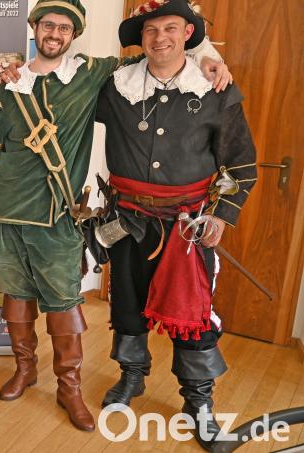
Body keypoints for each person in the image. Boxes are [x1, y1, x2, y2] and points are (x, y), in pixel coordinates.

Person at [0, 0, 231, 431]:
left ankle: (68, 386)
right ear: (34, 27)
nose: (55, 34)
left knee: (65, 304)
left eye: (65, 28)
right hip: (7, 216)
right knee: (16, 299)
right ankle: (25, 369)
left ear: (75, 35)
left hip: (59, 218)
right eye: (48, 25)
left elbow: (162, 53)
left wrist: (209, 58)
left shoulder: (93, 75)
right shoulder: (8, 86)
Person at [94, 0, 257, 448]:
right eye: (150, 30)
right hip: (127, 220)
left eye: (171, 28)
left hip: (189, 227)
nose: (159, 38)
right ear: (140, 37)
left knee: (194, 315)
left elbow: (241, 164)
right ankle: (132, 376)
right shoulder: (115, 86)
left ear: (189, 33)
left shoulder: (214, 87)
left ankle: (199, 401)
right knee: (126, 304)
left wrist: (222, 215)